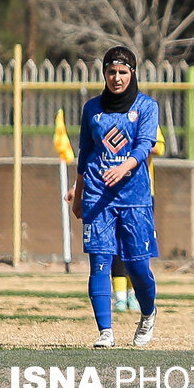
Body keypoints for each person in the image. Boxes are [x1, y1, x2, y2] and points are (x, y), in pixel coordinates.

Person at [66, 46, 160, 348]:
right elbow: (85, 153)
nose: (116, 78)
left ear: (132, 74)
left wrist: (125, 167)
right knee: (100, 263)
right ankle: (105, 331)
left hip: (134, 198)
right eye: (111, 72)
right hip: (96, 195)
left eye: (122, 72)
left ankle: (147, 313)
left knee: (137, 265)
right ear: (104, 73)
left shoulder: (146, 107)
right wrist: (78, 192)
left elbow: (145, 145)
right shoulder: (92, 108)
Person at [112, 126, 165, 314]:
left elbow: (159, 147)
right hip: (114, 190)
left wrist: (135, 148)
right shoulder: (110, 116)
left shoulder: (145, 114)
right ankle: (119, 297)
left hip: (142, 192)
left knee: (138, 245)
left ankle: (134, 293)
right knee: (117, 246)